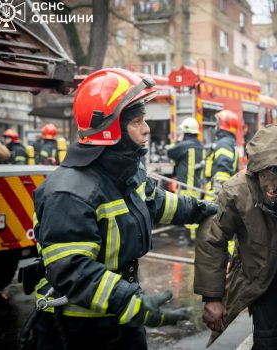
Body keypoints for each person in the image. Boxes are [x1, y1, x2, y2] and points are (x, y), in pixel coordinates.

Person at [30, 68, 218, 349]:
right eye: (138, 122)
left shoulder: (122, 174)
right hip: (76, 329)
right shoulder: (68, 193)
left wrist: (201, 209)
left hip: (118, 315)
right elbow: (72, 269)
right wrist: (128, 300)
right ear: (110, 129)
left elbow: (155, 202)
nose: (147, 129)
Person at [194, 123, 277, 349]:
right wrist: (212, 297)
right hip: (260, 276)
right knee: (267, 340)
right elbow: (212, 239)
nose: (270, 188)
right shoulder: (236, 191)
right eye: (264, 178)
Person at [167, 117, 206, 245]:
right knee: (195, 211)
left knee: (187, 212)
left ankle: (189, 240)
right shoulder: (200, 146)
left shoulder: (184, 146)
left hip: (187, 186)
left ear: (186, 132)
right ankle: (193, 238)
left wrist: (178, 142)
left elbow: (170, 152)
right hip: (197, 186)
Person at [204, 109, 239, 200]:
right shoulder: (228, 142)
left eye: (217, 123)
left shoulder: (224, 144)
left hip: (213, 197)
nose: (216, 126)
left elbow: (223, 171)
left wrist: (218, 196)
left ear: (224, 124)